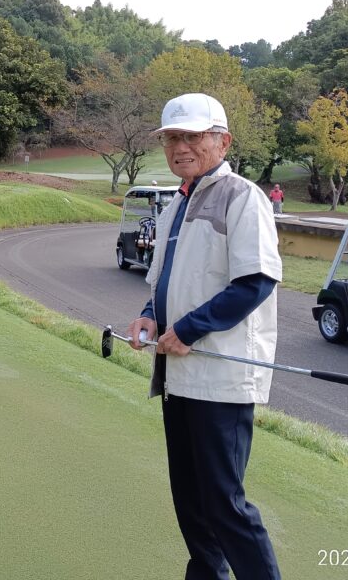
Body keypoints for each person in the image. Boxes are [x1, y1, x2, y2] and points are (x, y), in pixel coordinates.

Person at [128, 93, 282, 580]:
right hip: (179, 375)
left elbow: (255, 282)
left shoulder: (243, 196)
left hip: (221, 377)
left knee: (223, 504)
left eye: (192, 136)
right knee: (191, 502)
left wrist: (189, 329)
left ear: (223, 141)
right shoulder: (178, 201)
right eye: (172, 137)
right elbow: (165, 280)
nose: (180, 147)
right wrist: (149, 316)